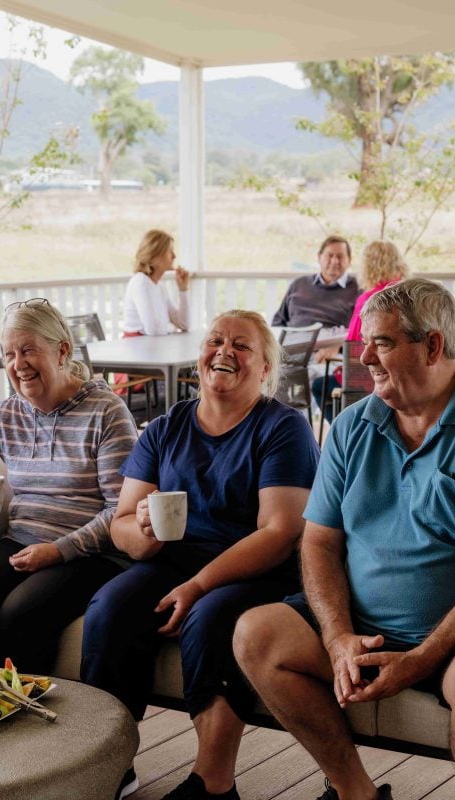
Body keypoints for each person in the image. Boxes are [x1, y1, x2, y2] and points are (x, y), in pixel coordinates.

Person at [234, 278, 455, 800]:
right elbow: (319, 543)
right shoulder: (351, 426)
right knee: (256, 632)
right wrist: (339, 636)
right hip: (366, 626)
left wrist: (424, 656)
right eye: (366, 341)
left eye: (381, 342)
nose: (363, 357)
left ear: (432, 345)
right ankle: (354, 792)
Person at [81, 310, 319, 800]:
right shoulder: (166, 427)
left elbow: (279, 532)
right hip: (172, 560)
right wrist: (146, 533)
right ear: (200, 357)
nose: (224, 351)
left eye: (242, 346)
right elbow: (122, 522)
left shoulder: (283, 427)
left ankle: (214, 784)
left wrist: (198, 585)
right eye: (215, 341)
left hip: (258, 570)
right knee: (109, 608)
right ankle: (110, 763)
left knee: (209, 619)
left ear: (265, 369)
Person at [0, 298, 138, 675]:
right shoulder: (8, 414)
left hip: (94, 554)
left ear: (62, 351)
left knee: (21, 614)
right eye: (8, 354)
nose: (18, 364)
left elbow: (121, 511)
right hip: (23, 539)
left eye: (28, 351)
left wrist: (58, 551)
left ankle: (15, 724)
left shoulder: (106, 413)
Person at [313, 240, 410, 421]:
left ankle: (344, 433)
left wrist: (335, 352)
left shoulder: (369, 300)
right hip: (404, 377)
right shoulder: (408, 295)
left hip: (366, 380)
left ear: (368, 266)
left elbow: (354, 348)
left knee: (319, 385)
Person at [271, 235, 359, 331]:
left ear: (349, 260)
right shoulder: (299, 284)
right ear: (319, 257)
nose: (334, 261)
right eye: (330, 255)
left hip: (333, 344)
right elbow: (278, 321)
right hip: (292, 343)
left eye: (340, 256)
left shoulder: (358, 289)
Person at [123, 229, 191, 336]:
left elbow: (183, 324)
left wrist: (183, 290)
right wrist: (171, 328)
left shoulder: (158, 286)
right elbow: (154, 331)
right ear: (156, 255)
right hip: (137, 348)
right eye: (170, 251)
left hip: (153, 346)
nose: (174, 256)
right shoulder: (141, 283)